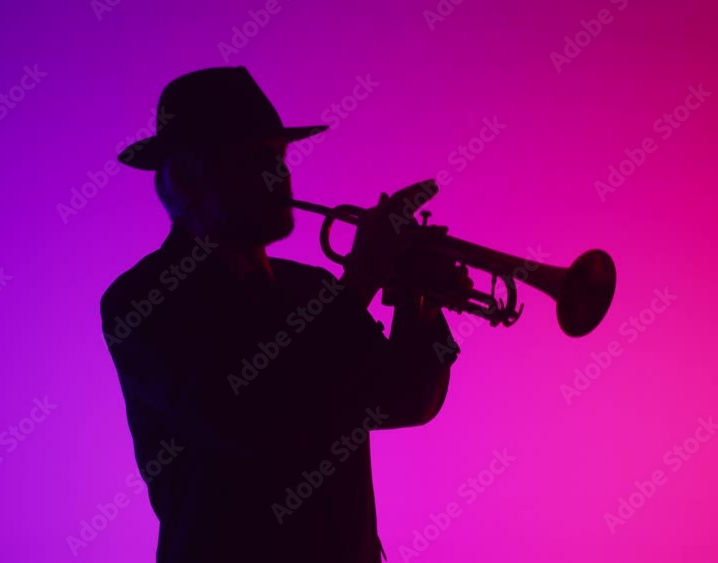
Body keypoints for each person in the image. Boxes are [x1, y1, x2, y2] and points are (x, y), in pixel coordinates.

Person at [100, 67, 468, 563]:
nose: (280, 175)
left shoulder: (313, 289)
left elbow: (403, 400)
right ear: (186, 180)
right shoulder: (142, 299)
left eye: (280, 156)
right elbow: (244, 417)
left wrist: (417, 300)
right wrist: (361, 279)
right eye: (257, 159)